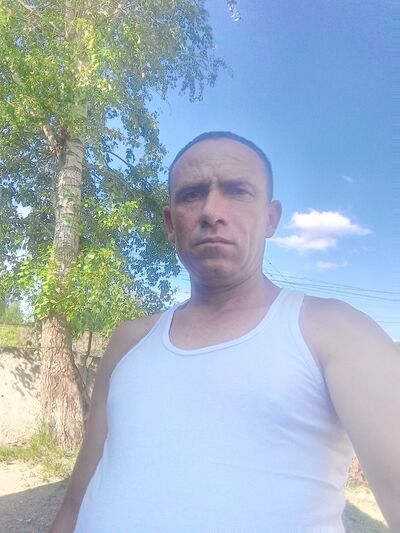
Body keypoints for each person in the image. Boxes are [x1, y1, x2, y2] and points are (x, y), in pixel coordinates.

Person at [50, 132, 400, 532]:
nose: (212, 212)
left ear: (271, 219)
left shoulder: (337, 332)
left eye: (237, 191)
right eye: (192, 194)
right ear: (171, 223)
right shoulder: (129, 341)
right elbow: (75, 505)